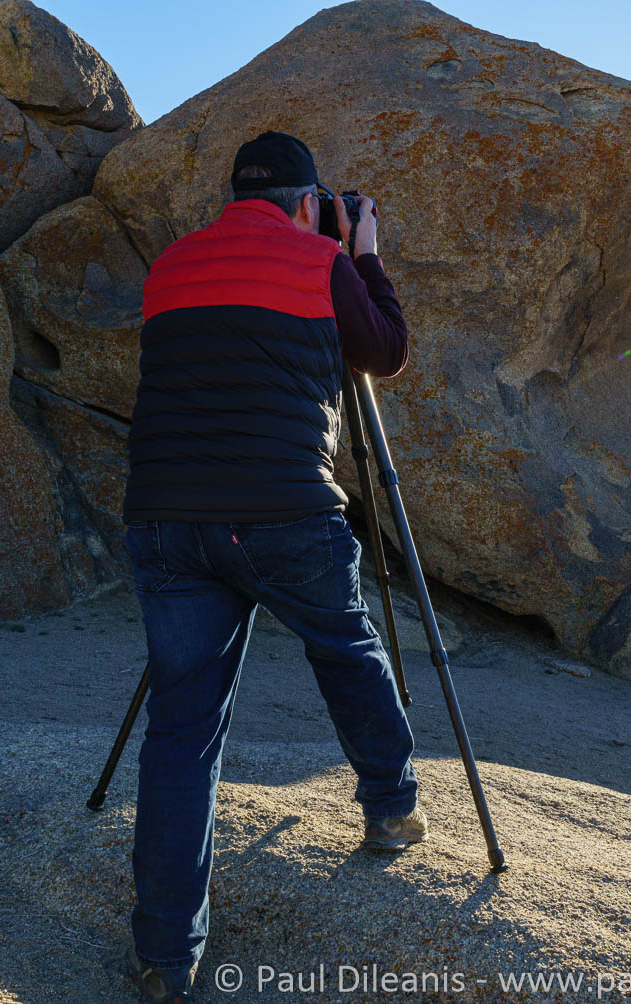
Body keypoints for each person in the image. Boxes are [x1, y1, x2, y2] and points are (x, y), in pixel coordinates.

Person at [120, 131, 425, 1004]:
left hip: (168, 521)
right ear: (306, 202)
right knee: (345, 644)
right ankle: (392, 805)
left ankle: (165, 961)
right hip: (284, 512)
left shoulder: (171, 266)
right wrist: (359, 253)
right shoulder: (318, 259)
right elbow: (386, 352)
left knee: (181, 731)